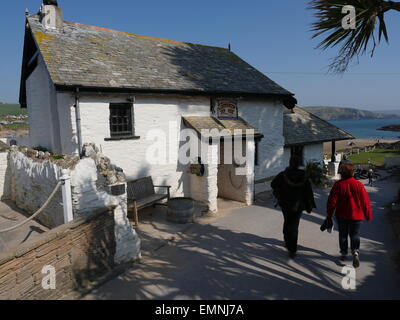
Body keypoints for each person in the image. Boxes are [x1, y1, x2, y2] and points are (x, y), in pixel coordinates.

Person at [326, 162, 372, 268]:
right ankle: (355, 252)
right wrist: (368, 214)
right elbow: (365, 202)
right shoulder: (358, 185)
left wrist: (329, 213)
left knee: (343, 234)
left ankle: (343, 253)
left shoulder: (338, 185)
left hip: (341, 215)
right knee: (354, 234)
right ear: (352, 172)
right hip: (357, 216)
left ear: (341, 173)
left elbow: (332, 201)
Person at [271, 155, 316, 258]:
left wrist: (281, 191)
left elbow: (273, 184)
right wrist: (309, 204)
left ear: (290, 162)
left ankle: (287, 241)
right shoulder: (304, 175)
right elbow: (308, 191)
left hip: (285, 204)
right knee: (295, 226)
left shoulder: (283, 175)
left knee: (287, 221)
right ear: (299, 163)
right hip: (298, 205)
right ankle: (293, 249)